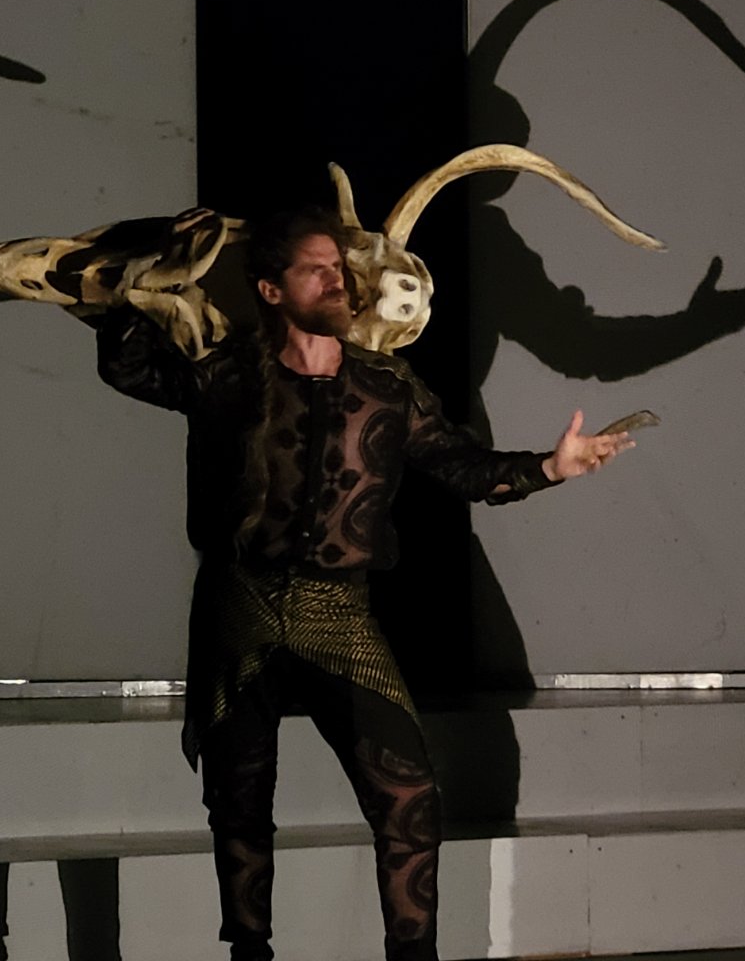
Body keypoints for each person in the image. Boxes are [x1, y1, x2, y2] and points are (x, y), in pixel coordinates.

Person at [88, 207, 634, 961]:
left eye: (337, 268)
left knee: (408, 796)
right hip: (241, 602)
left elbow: (466, 470)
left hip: (337, 612)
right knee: (239, 800)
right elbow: (127, 368)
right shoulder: (224, 374)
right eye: (315, 269)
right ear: (271, 289)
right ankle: (249, 953)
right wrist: (148, 270)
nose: (336, 279)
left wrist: (551, 466)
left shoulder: (385, 385)